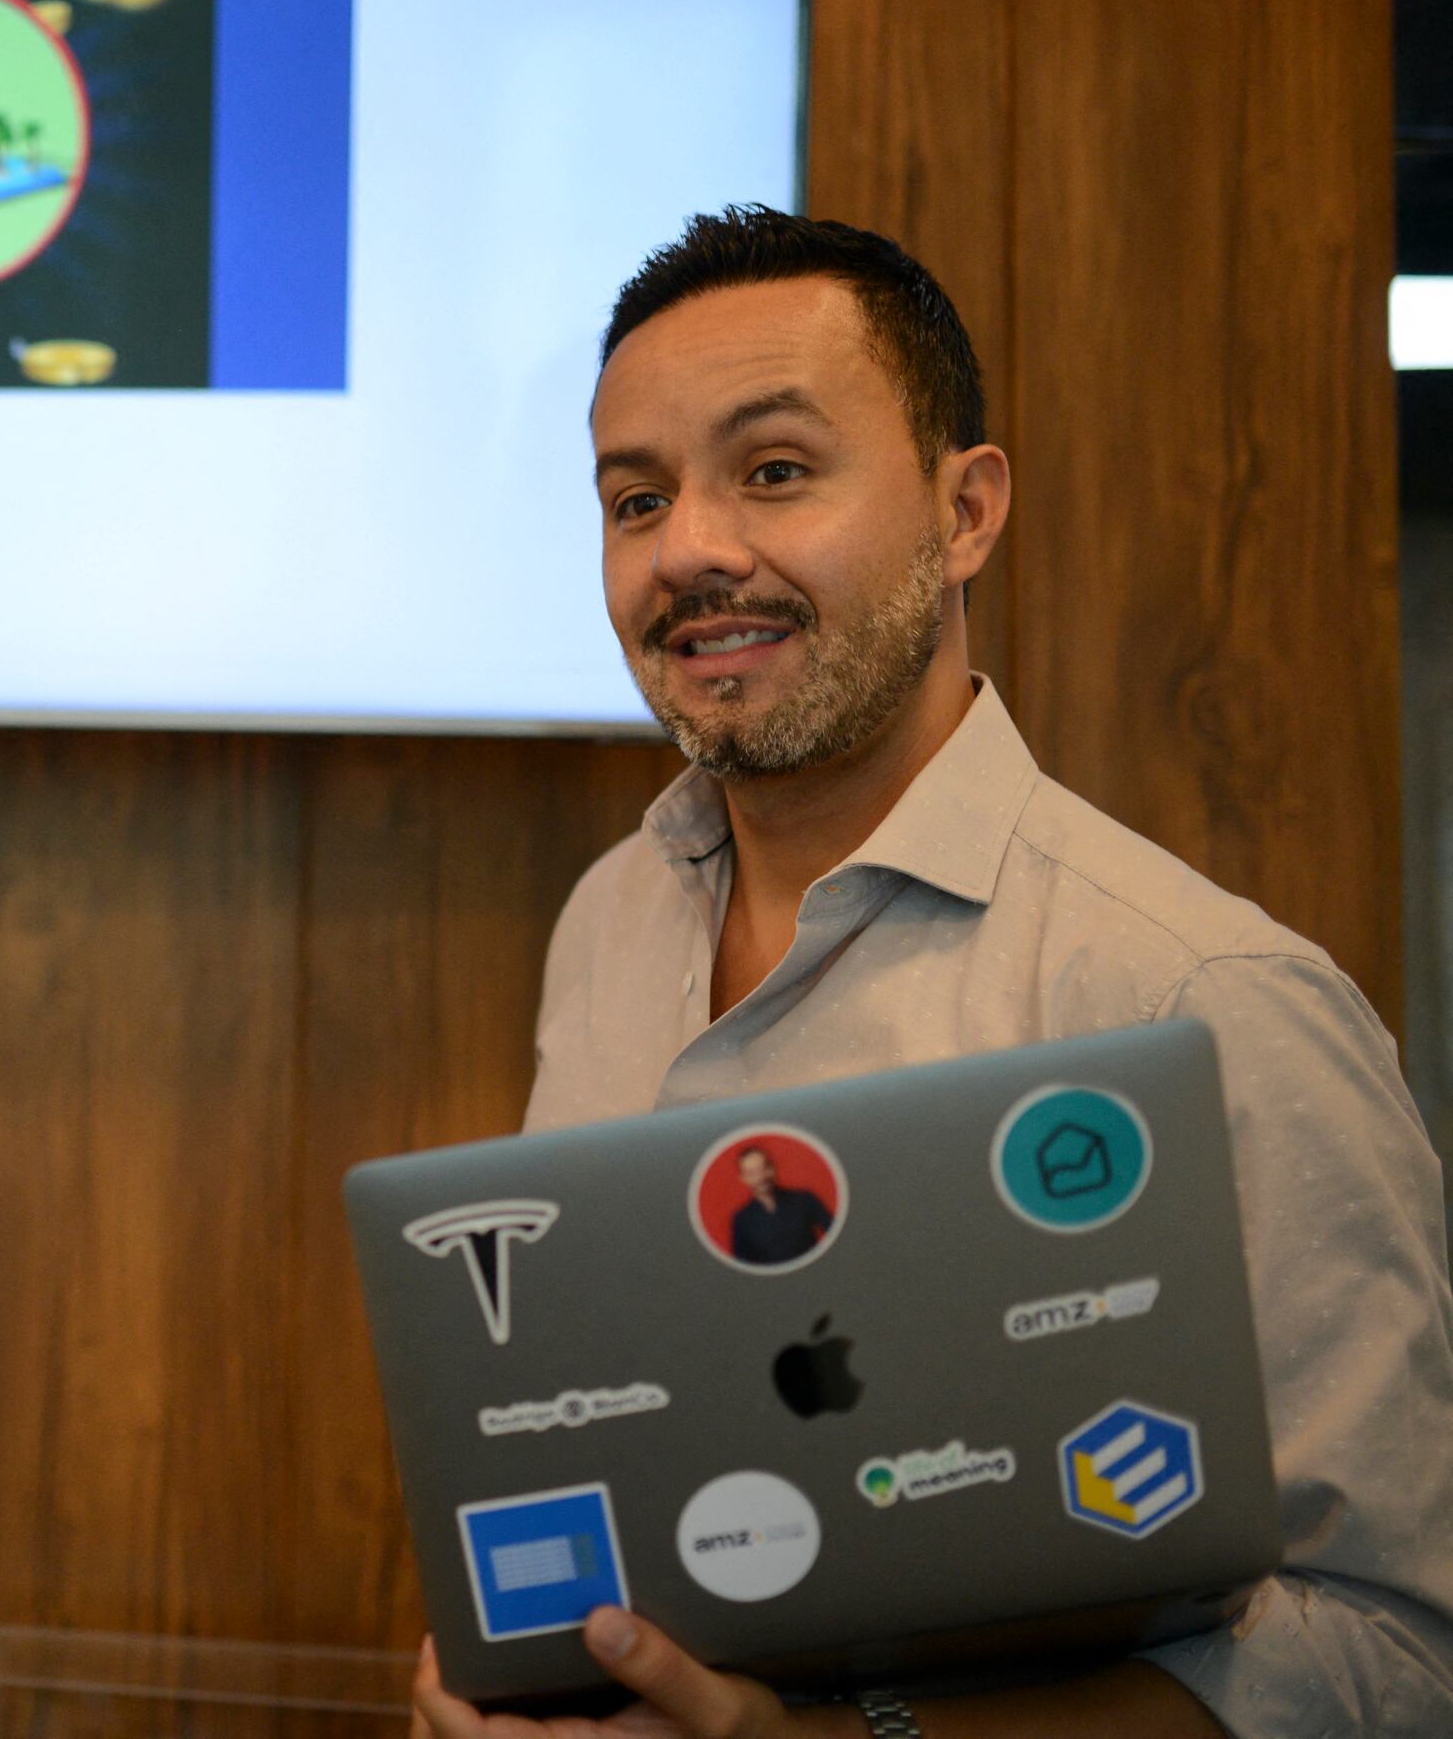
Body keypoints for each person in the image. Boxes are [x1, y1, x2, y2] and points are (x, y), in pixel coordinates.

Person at [411, 208, 1453, 1739]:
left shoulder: (1201, 996)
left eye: (773, 470)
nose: (689, 548)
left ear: (966, 513)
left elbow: (1391, 1661)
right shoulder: (611, 919)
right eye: (637, 500)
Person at [724, 1143, 831, 1265]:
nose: (760, 1177)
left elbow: (838, 1236)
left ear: (773, 1168)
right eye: (751, 1173)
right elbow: (743, 1267)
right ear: (743, 1178)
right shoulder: (741, 1219)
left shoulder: (804, 1199)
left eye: (764, 1168)